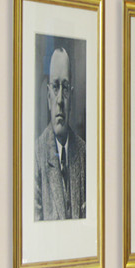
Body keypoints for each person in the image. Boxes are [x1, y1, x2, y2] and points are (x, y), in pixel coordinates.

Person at [33, 44, 86, 221]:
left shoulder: (84, 154)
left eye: (65, 87)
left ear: (71, 97)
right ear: (48, 97)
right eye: (55, 87)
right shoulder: (37, 155)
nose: (60, 100)